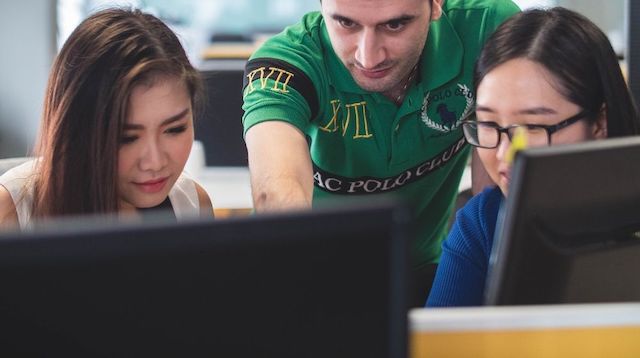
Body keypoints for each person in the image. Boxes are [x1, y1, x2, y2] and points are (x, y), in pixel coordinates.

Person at [241, 0, 520, 307]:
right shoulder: (283, 65)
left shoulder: (487, 27)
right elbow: (278, 195)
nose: (368, 56)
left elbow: (494, 192)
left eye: (394, 24)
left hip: (423, 272)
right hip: (300, 272)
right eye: (346, 23)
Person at [427, 7, 640, 307]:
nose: (504, 154)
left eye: (532, 127)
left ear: (599, 123)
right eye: (488, 124)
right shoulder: (482, 222)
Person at [0, 8, 213, 230]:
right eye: (127, 138)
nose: (155, 162)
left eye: (175, 129)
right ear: (77, 131)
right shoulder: (10, 213)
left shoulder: (192, 206)